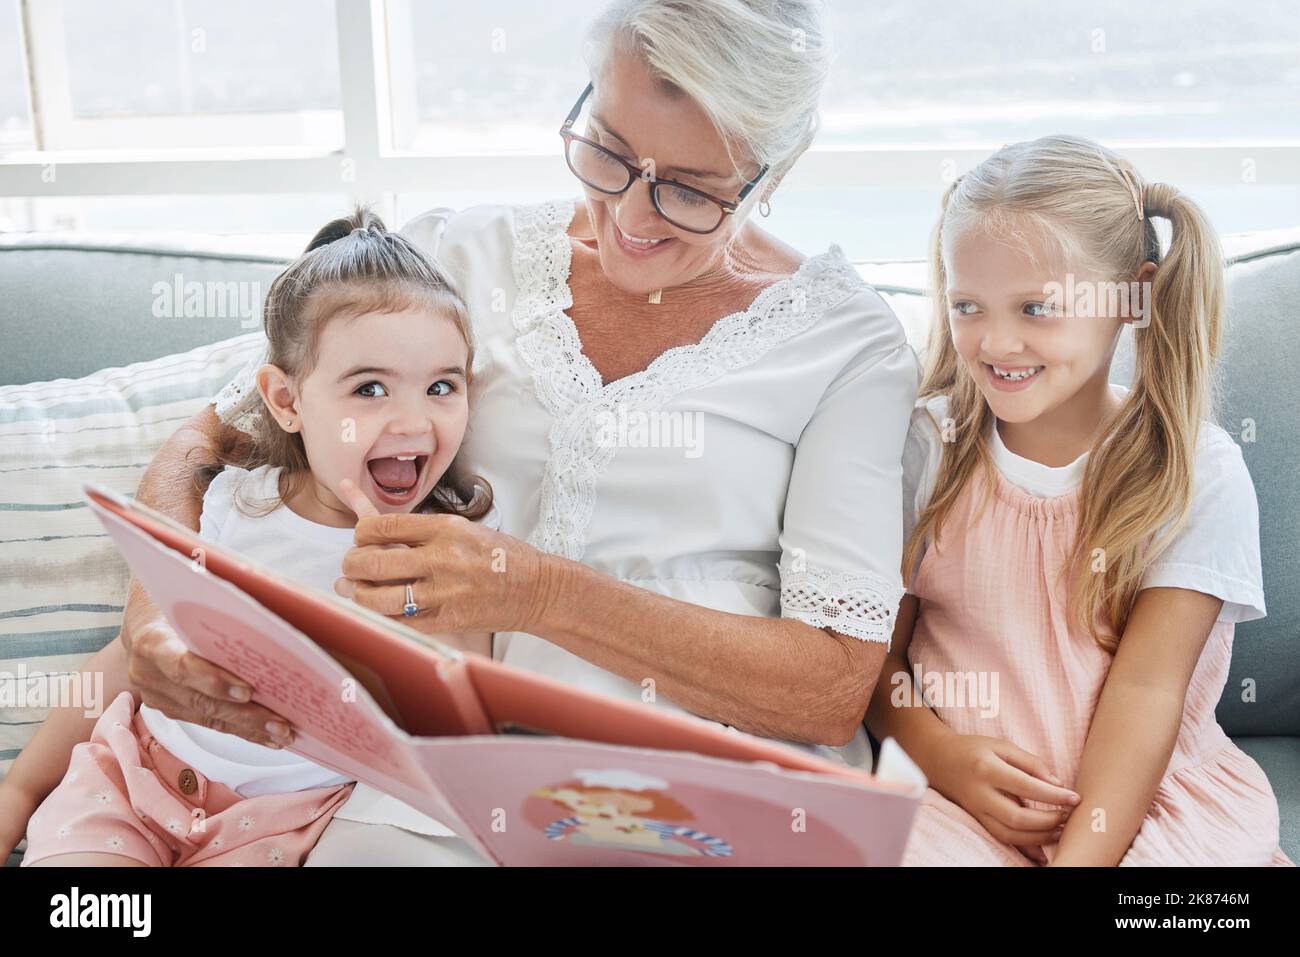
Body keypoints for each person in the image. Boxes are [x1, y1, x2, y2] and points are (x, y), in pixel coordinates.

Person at [90, 0, 919, 865]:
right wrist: (155, 616)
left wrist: (543, 593)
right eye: (606, 151)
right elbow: (212, 439)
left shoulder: (846, 342)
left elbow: (831, 685)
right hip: (439, 787)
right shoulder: (458, 253)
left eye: (690, 189)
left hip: (697, 796)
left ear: (772, 170)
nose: (631, 217)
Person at [4, 209, 500, 866]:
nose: (412, 418)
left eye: (442, 385)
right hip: (129, 782)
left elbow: (458, 717)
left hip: (281, 825)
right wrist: (20, 786)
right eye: (370, 388)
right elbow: (129, 655)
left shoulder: (447, 553)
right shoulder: (227, 506)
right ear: (286, 400)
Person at [866, 135, 1292, 866]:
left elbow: (1148, 692)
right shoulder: (925, 448)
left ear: (1135, 295)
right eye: (968, 304)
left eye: (1036, 308)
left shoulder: (1194, 472)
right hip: (958, 804)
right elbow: (874, 660)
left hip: (1150, 802)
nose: (996, 341)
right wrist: (943, 755)